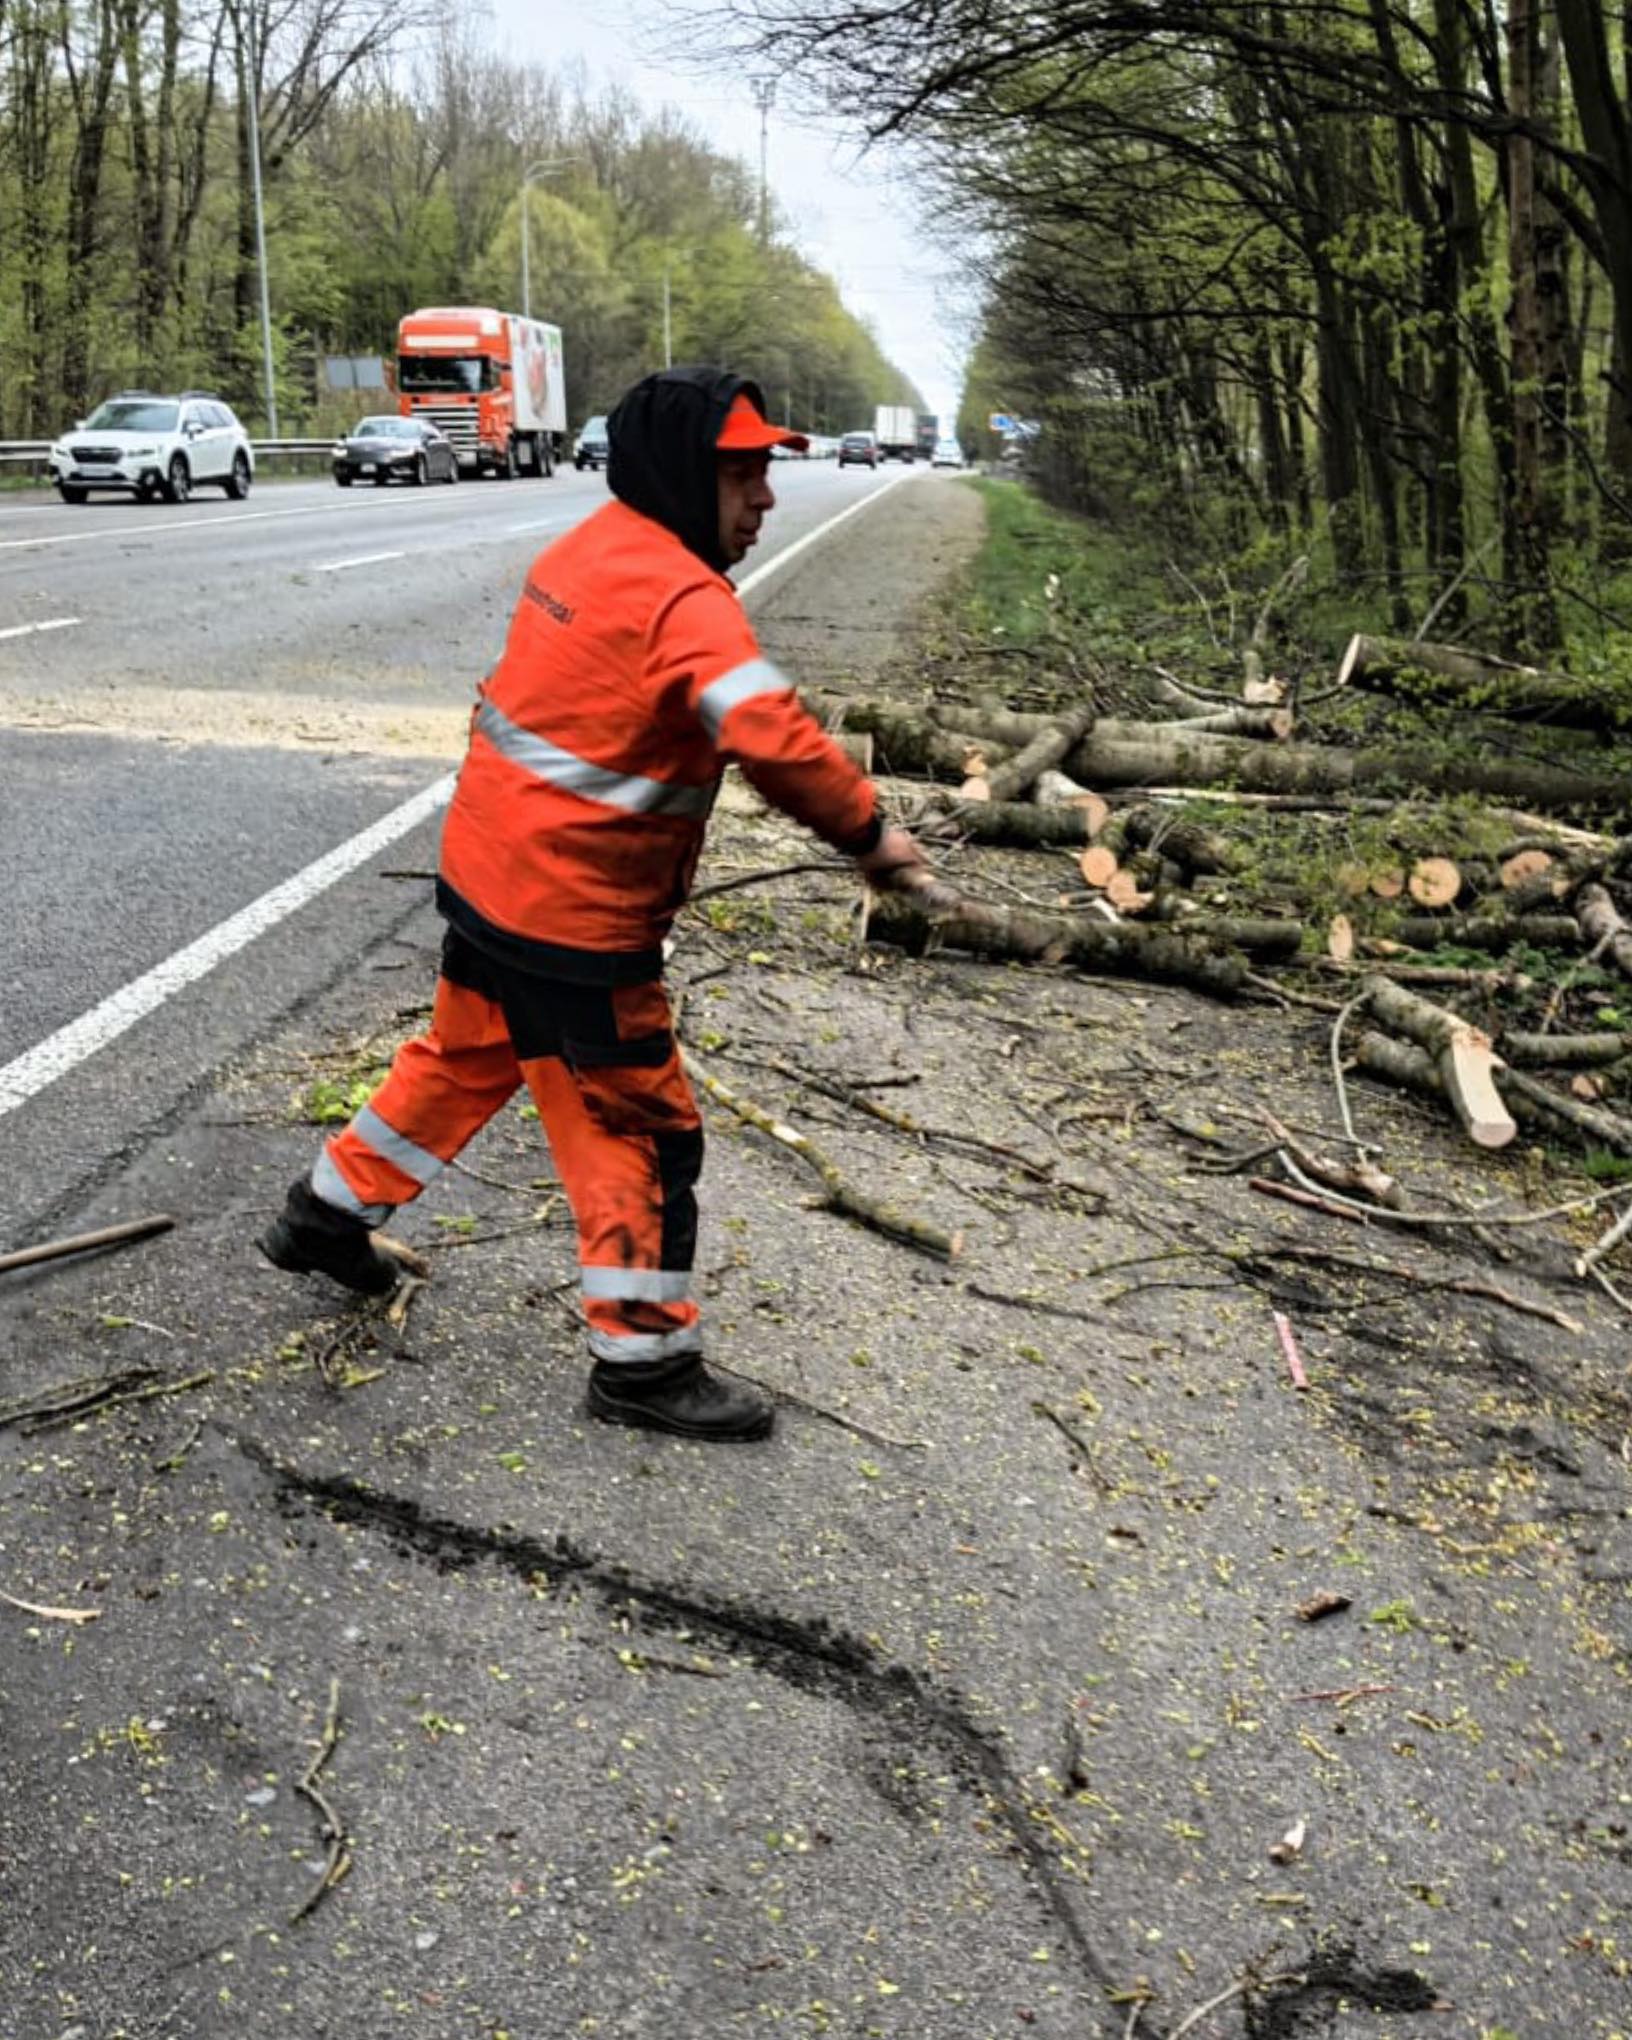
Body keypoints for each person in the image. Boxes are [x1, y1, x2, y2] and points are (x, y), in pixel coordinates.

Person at [260, 365, 927, 1442]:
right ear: (678, 474)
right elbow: (768, 732)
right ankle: (644, 1364)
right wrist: (871, 833)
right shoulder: (684, 599)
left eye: (766, 474)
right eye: (743, 474)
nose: (763, 498)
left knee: (467, 1054)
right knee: (643, 1132)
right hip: (573, 917)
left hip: (489, 878)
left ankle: (325, 1215)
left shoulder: (588, 551)